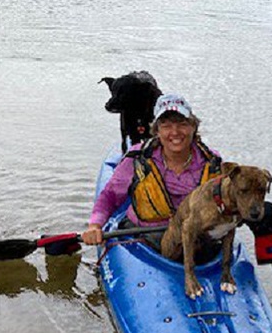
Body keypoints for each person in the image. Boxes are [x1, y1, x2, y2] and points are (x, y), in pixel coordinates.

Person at [81, 94, 222, 248]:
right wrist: (95, 226)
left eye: (182, 124)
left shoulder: (212, 161)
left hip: (197, 236)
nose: (175, 132)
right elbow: (110, 196)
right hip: (146, 236)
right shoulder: (138, 157)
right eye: (166, 126)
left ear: (193, 127)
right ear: (157, 131)